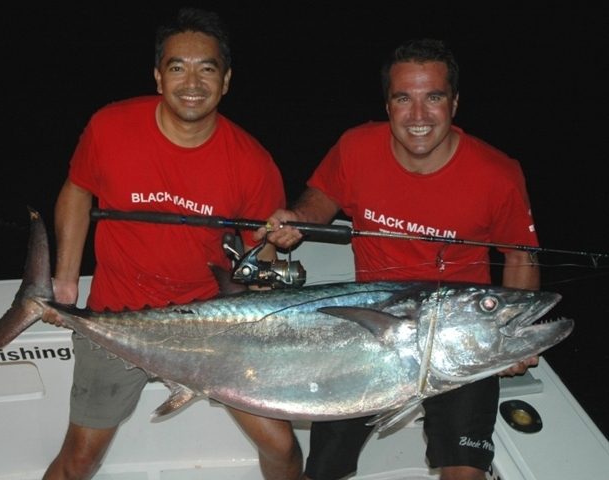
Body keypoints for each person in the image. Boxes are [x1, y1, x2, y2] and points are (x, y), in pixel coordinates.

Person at [261, 38, 540, 480]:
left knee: (465, 473)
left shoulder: (497, 174)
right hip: (370, 331)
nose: (418, 116)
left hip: (458, 333)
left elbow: (518, 255)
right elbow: (324, 197)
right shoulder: (356, 147)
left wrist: (517, 336)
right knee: (323, 470)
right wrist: (299, 218)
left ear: (454, 102)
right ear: (388, 105)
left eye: (433, 97)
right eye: (403, 98)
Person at [44, 8, 302, 479]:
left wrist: (273, 246)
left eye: (207, 68)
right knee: (80, 457)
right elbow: (78, 188)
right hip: (116, 316)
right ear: (158, 76)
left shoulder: (252, 163)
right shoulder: (111, 127)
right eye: (177, 67)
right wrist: (64, 280)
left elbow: (257, 260)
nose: (192, 81)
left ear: (225, 81)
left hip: (208, 326)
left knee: (283, 448)